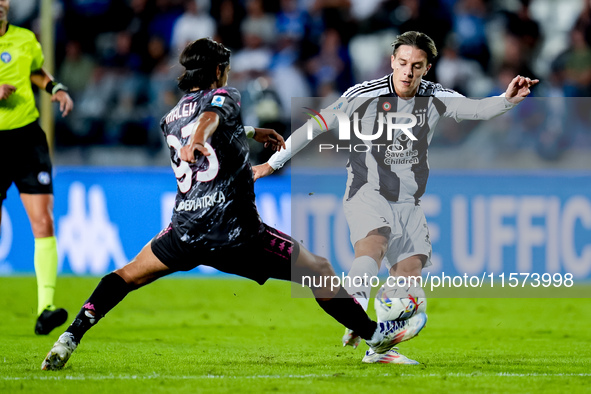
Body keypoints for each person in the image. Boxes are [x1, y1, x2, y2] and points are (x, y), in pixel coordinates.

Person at [41, 38, 427, 371]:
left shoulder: (169, 119)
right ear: (219, 70)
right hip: (235, 231)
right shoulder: (226, 96)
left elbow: (205, 126)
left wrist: (249, 131)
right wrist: (201, 139)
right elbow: (209, 119)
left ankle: (69, 338)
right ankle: (376, 338)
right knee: (319, 269)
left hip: (185, 230)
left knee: (126, 276)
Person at [252, 31, 539, 363]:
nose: (408, 72)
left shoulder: (435, 96)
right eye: (402, 63)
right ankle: (354, 310)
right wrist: (273, 164)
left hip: (408, 201)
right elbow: (316, 125)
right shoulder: (363, 94)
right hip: (366, 189)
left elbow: (475, 109)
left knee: (409, 278)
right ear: (392, 62)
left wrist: (506, 99)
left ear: (427, 68)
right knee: (374, 242)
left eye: (416, 66)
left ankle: (377, 349)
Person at [0, 0, 73, 335]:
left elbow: (35, 70)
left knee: (44, 220)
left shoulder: (25, 38)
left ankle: (46, 308)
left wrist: (55, 89)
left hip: (27, 139)